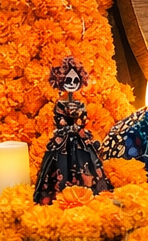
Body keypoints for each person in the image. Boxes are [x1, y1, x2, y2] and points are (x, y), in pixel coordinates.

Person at [33, 56, 113, 204]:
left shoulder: (80, 104)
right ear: (60, 81)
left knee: (86, 160)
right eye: (68, 81)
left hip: (78, 138)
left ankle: (87, 190)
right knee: (59, 162)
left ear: (80, 82)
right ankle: (60, 191)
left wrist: (77, 127)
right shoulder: (59, 104)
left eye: (75, 81)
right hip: (64, 139)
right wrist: (70, 127)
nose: (71, 84)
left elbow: (82, 119)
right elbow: (60, 121)